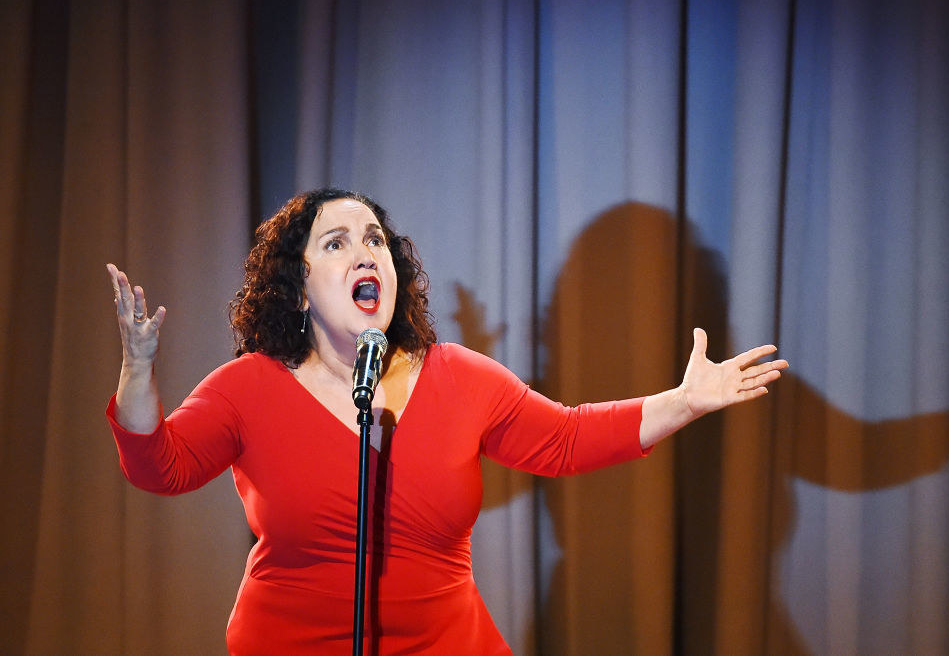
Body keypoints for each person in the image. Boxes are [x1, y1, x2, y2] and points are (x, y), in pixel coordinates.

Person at [106, 187, 788, 655]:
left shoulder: (458, 375)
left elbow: (567, 438)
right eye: (337, 243)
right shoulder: (248, 387)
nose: (364, 251)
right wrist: (138, 372)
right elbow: (159, 466)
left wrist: (685, 400)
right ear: (299, 285)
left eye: (375, 239)